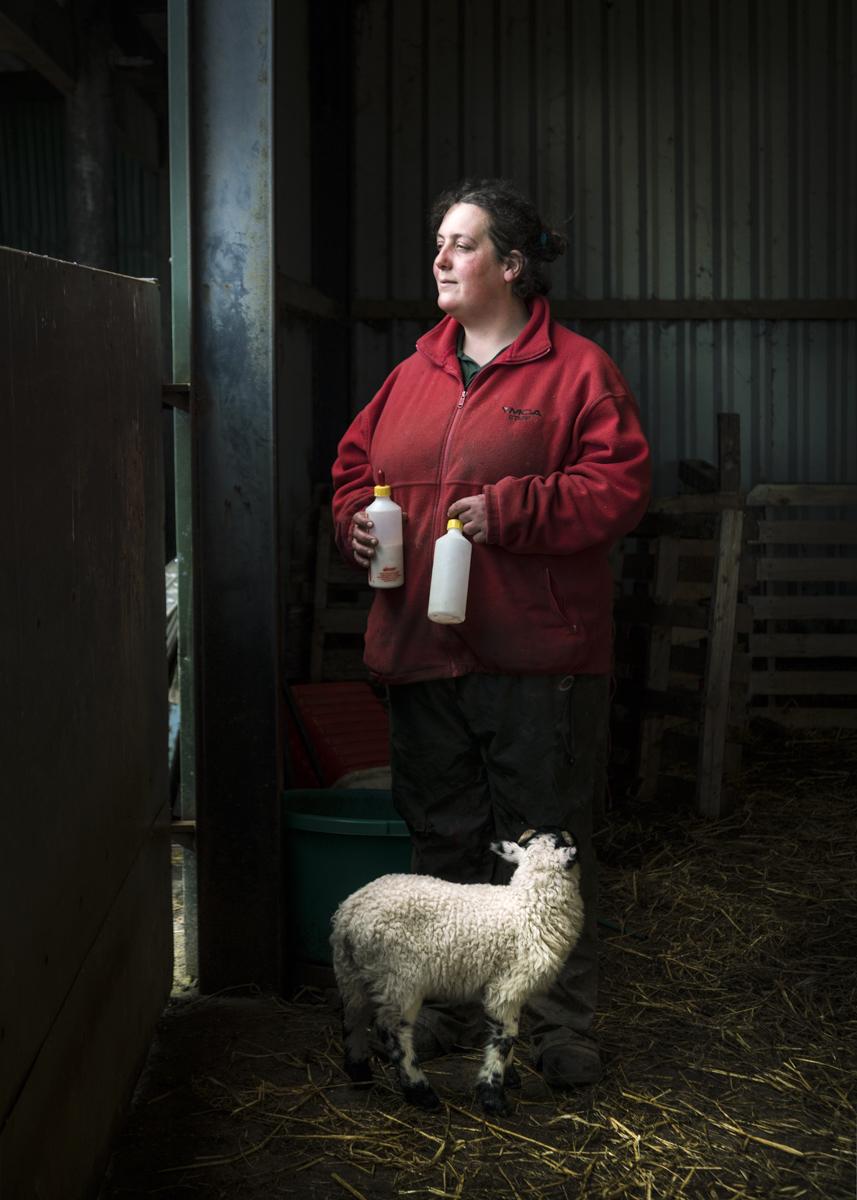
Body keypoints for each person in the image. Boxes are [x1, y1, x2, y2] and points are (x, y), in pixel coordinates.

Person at [330, 178, 650, 1087]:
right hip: (421, 652)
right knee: (440, 843)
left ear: (511, 265)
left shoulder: (576, 372)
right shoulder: (411, 374)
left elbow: (619, 484)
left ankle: (554, 1029)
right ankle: (433, 1017)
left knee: (541, 845)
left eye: (461, 244)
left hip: (536, 656)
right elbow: (354, 472)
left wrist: (511, 508)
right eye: (438, 242)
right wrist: (352, 521)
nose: (439, 258)